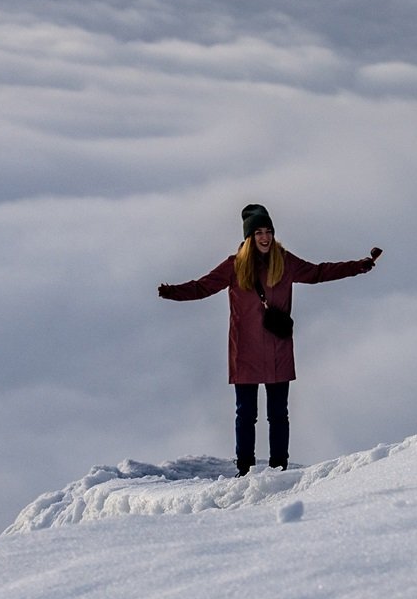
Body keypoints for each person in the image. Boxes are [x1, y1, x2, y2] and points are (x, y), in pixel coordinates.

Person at [158, 204, 381, 475]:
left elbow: (319, 272)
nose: (265, 237)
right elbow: (202, 286)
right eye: (259, 232)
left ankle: (279, 467)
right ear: (249, 237)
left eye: (269, 232)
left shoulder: (284, 261)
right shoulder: (234, 266)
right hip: (246, 349)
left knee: (278, 414)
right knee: (245, 414)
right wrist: (172, 292)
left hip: (277, 348)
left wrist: (358, 266)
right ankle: (245, 468)